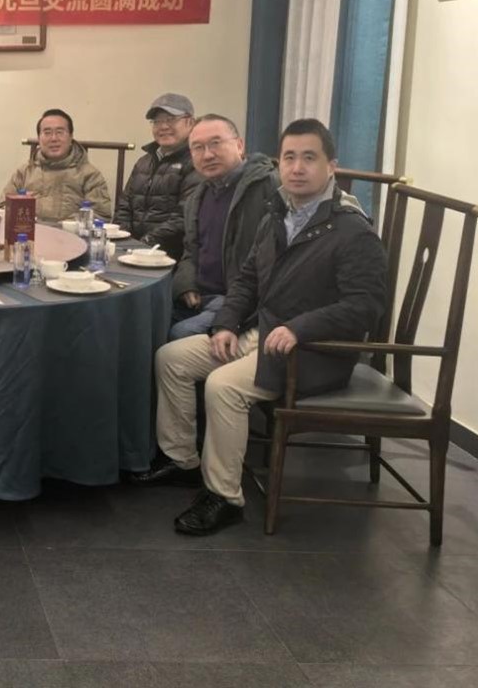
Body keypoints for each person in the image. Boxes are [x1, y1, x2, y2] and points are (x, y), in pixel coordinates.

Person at [134, 118, 386, 536]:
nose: (297, 168)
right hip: (264, 333)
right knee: (172, 358)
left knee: (224, 387)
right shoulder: (278, 215)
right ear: (278, 162)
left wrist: (300, 328)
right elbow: (248, 279)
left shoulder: (351, 230)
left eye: (309, 158)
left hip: (312, 352)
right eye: (289, 157)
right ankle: (182, 460)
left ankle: (224, 497)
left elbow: (366, 306)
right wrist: (226, 323)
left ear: (331, 166)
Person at [169, 114, 278, 340]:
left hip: (238, 302)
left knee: (179, 333)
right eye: (198, 148)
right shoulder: (198, 196)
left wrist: (233, 307)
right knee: (146, 321)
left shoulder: (269, 187)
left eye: (216, 143)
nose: (207, 155)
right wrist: (186, 285)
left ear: (239, 145)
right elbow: (190, 250)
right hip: (199, 297)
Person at [115, 93, 203, 259]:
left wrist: (145, 244)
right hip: (134, 252)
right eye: (157, 121)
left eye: (170, 120)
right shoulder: (143, 162)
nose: (163, 127)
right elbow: (124, 207)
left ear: (190, 122)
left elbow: (183, 217)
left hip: (171, 256)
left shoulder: (196, 162)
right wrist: (124, 241)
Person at [0, 108, 112, 222]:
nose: (54, 138)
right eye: (47, 133)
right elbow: (1, 208)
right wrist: (19, 204)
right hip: (30, 232)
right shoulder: (25, 172)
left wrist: (66, 226)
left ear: (71, 137)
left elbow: (101, 214)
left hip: (70, 233)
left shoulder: (90, 175)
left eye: (60, 132)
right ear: (39, 138)